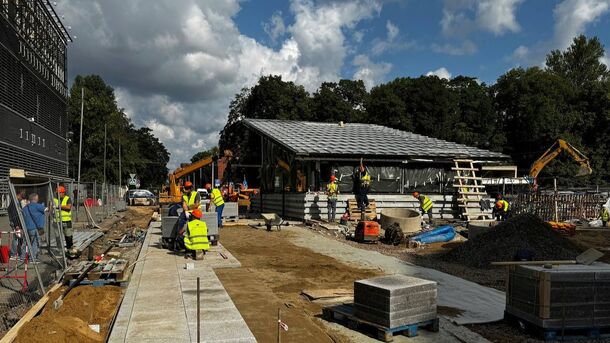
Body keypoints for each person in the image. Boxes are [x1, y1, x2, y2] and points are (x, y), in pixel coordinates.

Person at [22, 193, 47, 262]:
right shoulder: (38, 206)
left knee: (27, 242)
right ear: (35, 198)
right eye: (37, 197)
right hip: (35, 227)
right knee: (35, 243)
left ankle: (23, 257)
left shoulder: (25, 207)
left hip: (27, 228)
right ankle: (33, 258)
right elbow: (47, 209)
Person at [54, 186, 75, 256]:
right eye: (57, 193)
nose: (58, 194)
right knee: (58, 237)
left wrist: (59, 206)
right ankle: (60, 250)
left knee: (68, 236)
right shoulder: (54, 199)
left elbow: (68, 207)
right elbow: (50, 208)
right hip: (57, 221)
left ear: (63, 193)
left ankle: (69, 249)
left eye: (59, 193)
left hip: (66, 221)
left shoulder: (67, 199)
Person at [9, 189, 27, 260]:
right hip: (16, 223)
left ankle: (16, 252)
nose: (24, 194)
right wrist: (16, 225)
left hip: (17, 222)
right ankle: (13, 254)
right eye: (24, 193)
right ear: (20, 193)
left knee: (18, 237)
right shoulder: (15, 201)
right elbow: (14, 214)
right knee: (16, 237)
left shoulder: (17, 201)